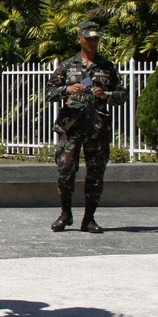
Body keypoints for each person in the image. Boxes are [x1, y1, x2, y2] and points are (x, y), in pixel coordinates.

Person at [47, 21, 128, 233]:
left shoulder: (107, 67)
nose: (92, 42)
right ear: (79, 39)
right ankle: (65, 214)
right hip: (71, 127)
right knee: (65, 171)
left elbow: (122, 95)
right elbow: (49, 93)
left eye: (95, 39)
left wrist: (106, 94)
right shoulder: (67, 66)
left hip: (97, 127)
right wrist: (66, 89)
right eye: (88, 38)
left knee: (95, 173)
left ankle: (89, 219)